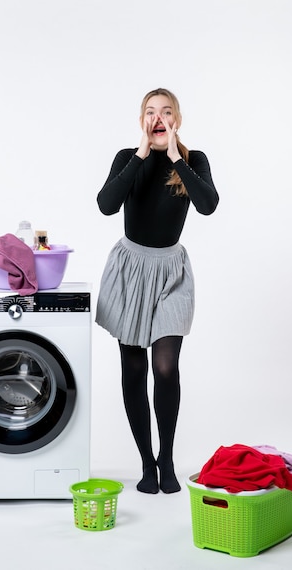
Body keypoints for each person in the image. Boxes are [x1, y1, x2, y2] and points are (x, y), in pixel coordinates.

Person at [95, 88, 219, 494]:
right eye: (150, 112)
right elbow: (106, 205)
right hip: (130, 271)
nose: (158, 118)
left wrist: (176, 160)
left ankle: (166, 458)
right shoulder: (127, 159)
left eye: (166, 112)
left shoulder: (192, 161)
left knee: (165, 367)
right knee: (134, 368)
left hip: (170, 273)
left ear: (177, 119)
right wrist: (141, 155)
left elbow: (208, 205)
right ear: (142, 121)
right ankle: (146, 463)